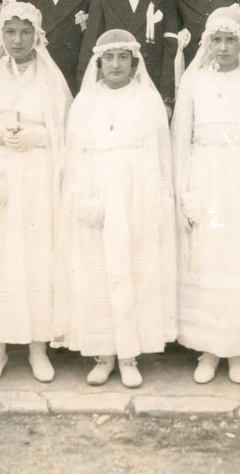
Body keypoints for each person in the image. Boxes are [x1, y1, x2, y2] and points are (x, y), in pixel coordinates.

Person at [52, 29, 177, 388]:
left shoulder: (147, 101)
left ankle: (129, 354)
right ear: (99, 62)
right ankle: (104, 353)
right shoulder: (85, 103)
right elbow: (74, 159)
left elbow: (159, 156)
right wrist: (82, 197)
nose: (117, 65)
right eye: (110, 58)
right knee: (98, 271)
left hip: (136, 195)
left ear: (134, 62)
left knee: (133, 269)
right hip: (97, 195)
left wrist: (156, 198)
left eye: (124, 58)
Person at [0, 0, 71, 383]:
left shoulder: (49, 78)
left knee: (35, 255)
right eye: (11, 32)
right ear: (0, 34)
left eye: (26, 32)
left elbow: (62, 129)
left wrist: (35, 136)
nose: (18, 40)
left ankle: (38, 347)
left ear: (37, 36)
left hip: (35, 172)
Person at [171, 7, 240, 384]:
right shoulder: (193, 83)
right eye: (216, 39)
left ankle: (238, 349)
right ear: (207, 43)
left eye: (231, 39)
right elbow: (181, 140)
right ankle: (209, 348)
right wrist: (184, 191)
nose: (223, 46)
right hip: (206, 176)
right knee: (208, 258)